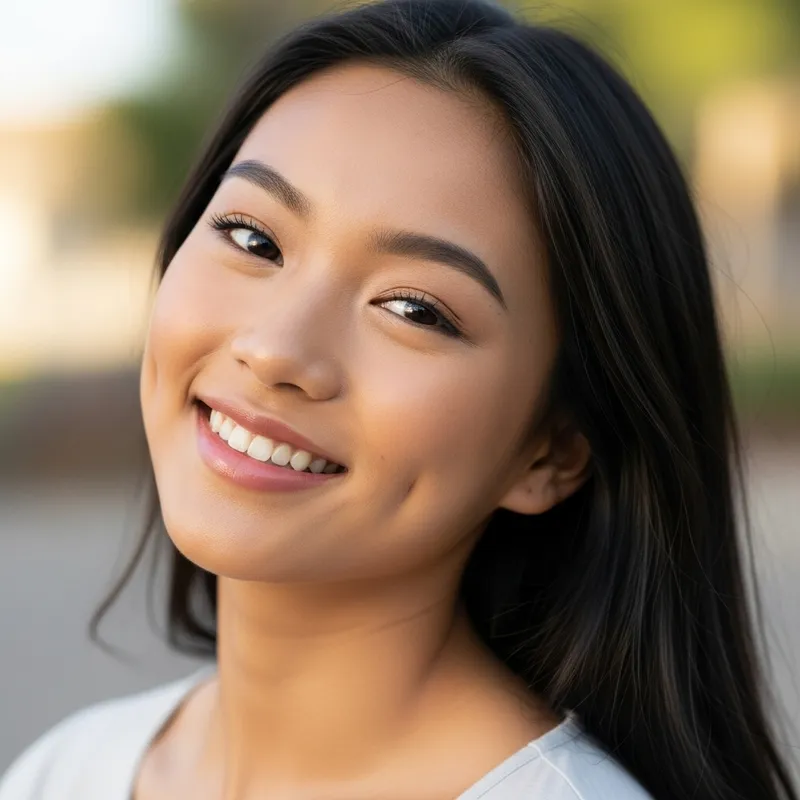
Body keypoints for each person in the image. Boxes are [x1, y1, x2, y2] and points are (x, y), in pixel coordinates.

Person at [1, 1, 797, 798]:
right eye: (253, 238)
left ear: (552, 451)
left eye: (415, 309)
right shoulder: (65, 772)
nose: (277, 349)